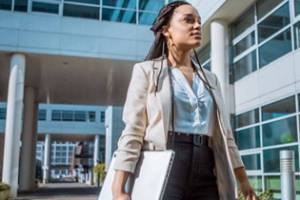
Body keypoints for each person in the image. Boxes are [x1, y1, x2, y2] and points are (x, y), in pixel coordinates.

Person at [111, 1, 257, 200]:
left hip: (207, 165)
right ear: (166, 30)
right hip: (166, 164)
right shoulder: (146, 71)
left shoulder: (210, 78)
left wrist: (243, 181)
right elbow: (133, 131)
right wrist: (118, 189)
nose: (197, 26)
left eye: (198, 21)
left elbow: (226, 136)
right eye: (188, 20)